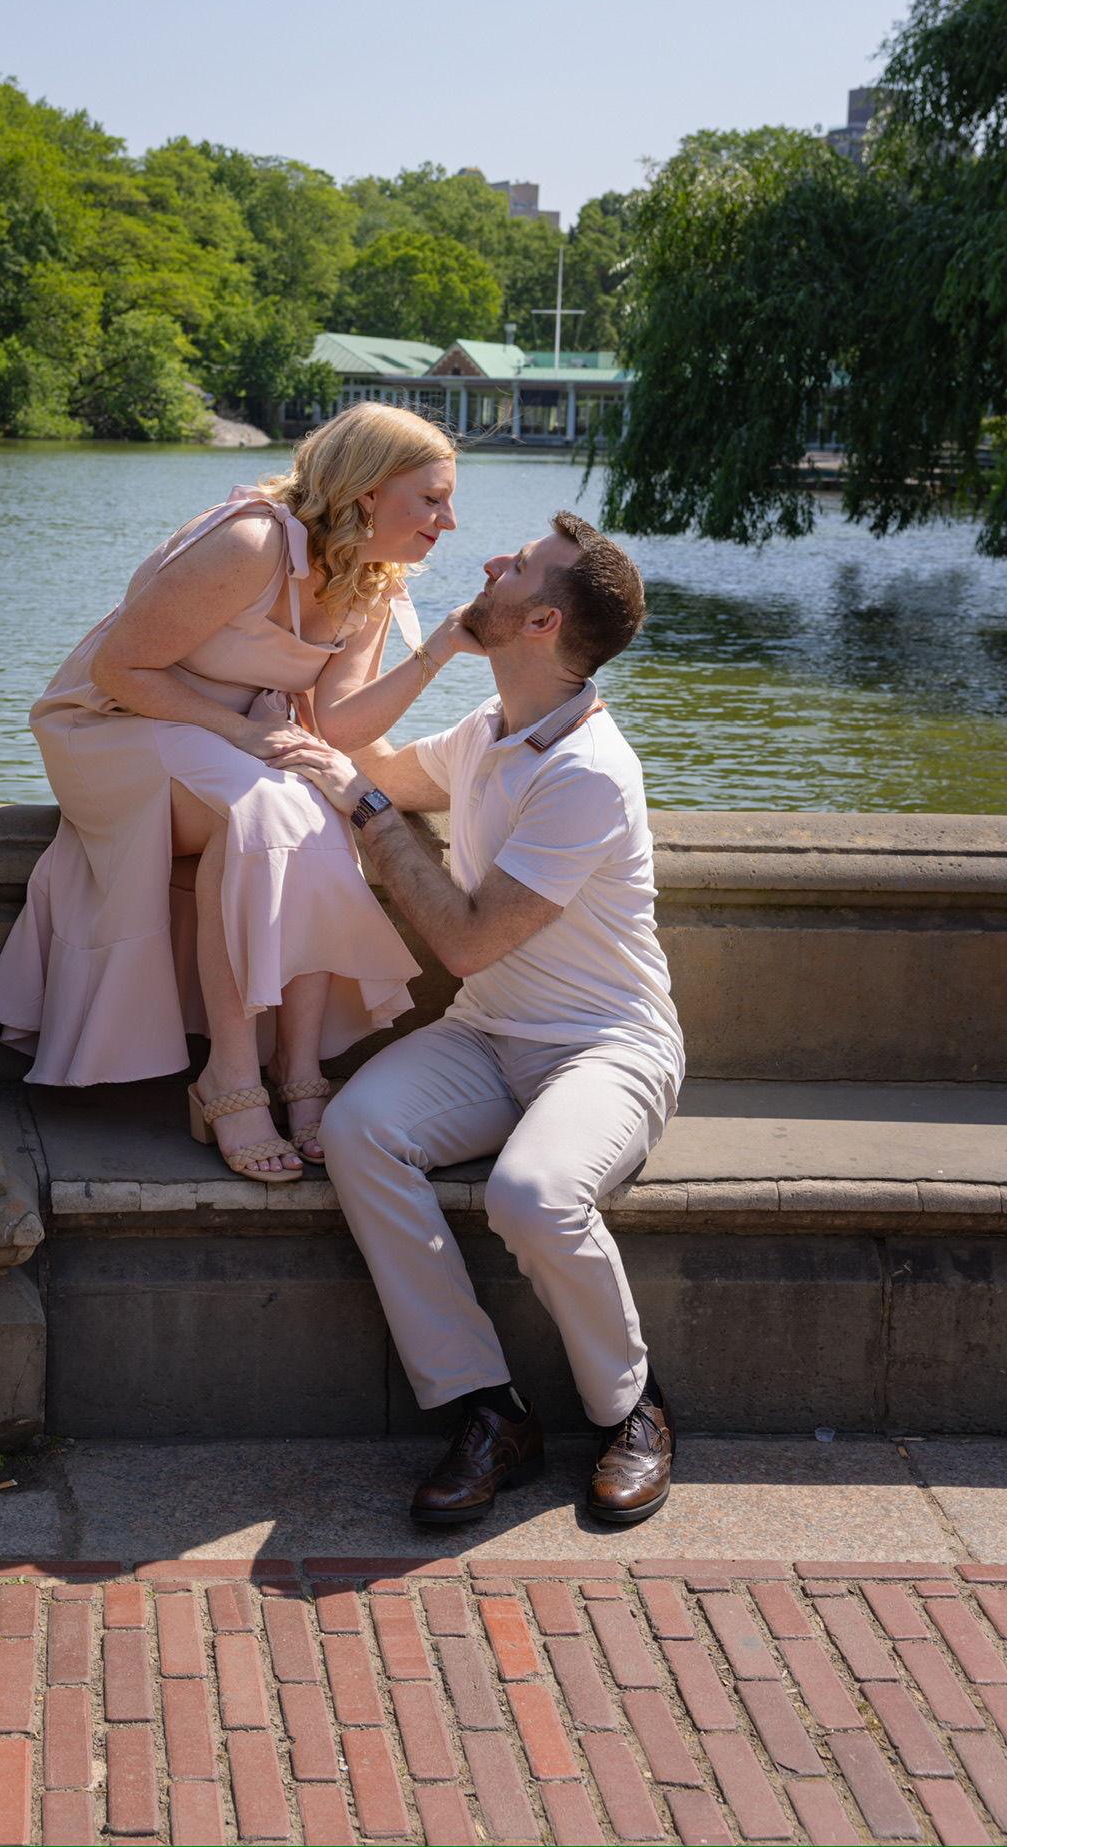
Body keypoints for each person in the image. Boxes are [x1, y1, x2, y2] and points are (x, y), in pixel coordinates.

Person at [286, 511, 686, 1526]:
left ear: (540, 620)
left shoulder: (586, 772)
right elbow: (367, 763)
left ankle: (629, 1406)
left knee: (532, 1194)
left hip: (605, 1045)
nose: (492, 562)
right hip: (484, 1035)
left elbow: (462, 937)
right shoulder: (488, 729)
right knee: (356, 1130)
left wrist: (369, 814)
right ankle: (485, 1408)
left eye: (516, 567)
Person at [0, 404, 481, 1181]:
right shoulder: (252, 542)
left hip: (220, 743)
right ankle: (231, 1080)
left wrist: (440, 649)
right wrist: (240, 732)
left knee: (315, 801)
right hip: (111, 728)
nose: (448, 520)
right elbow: (118, 670)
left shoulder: (372, 578)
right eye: (432, 498)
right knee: (268, 804)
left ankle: (299, 1069)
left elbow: (339, 724)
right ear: (368, 491)